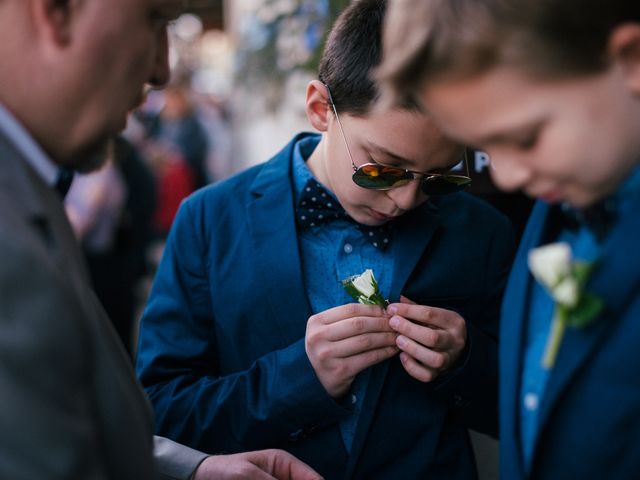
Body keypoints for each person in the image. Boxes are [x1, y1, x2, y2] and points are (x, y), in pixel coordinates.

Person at [136, 0, 515, 478]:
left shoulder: (481, 231)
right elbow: (160, 410)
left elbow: (524, 406)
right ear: (319, 108)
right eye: (382, 169)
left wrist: (465, 362)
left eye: (438, 177)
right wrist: (296, 378)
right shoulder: (209, 220)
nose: (405, 199)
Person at [0, 0, 321, 478]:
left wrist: (191, 470)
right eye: (154, 19)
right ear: (56, 13)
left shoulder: (32, 187)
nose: (162, 68)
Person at [377, 0, 640, 479]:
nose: (509, 175)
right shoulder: (557, 202)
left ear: (631, 60)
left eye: (525, 137)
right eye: (481, 147)